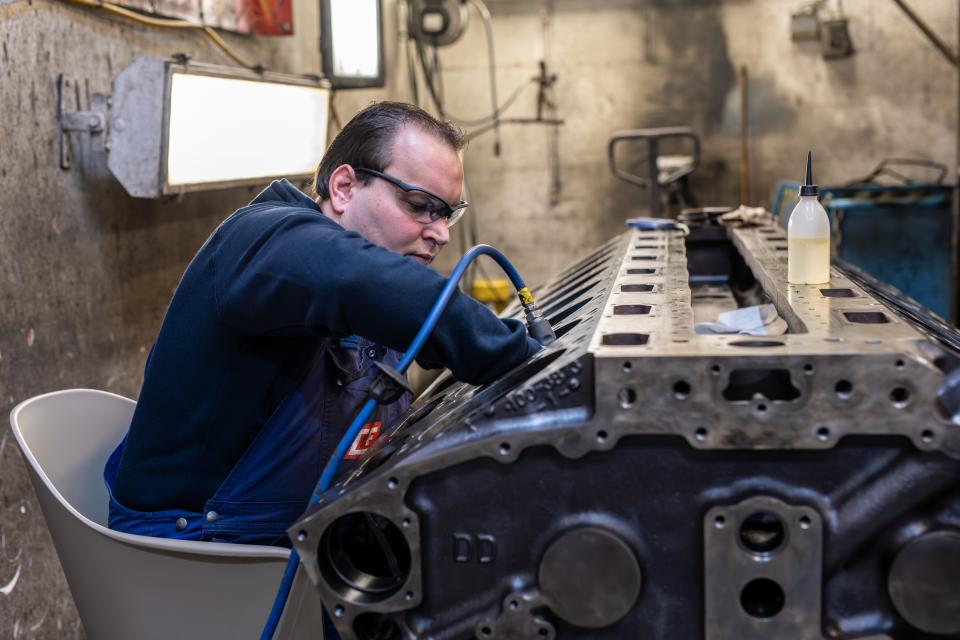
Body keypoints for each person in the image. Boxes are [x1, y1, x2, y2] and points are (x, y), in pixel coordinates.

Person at [105, 102, 541, 545]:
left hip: (297, 531)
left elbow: (406, 309)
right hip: (195, 551)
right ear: (345, 187)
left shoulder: (373, 274)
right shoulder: (263, 240)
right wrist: (528, 358)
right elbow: (371, 284)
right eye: (419, 205)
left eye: (447, 213)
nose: (441, 233)